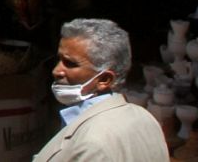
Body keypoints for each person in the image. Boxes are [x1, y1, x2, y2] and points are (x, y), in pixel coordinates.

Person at [33, 18, 166, 161]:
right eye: (59, 60)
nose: (56, 71)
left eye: (70, 63)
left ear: (104, 80)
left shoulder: (92, 143)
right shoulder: (145, 118)